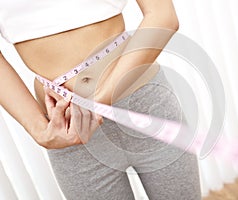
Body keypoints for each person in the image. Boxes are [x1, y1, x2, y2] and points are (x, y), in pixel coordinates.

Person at [0, 0, 201, 199]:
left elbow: (163, 16)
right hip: (69, 130)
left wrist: (98, 100)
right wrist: (39, 129)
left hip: (144, 103)